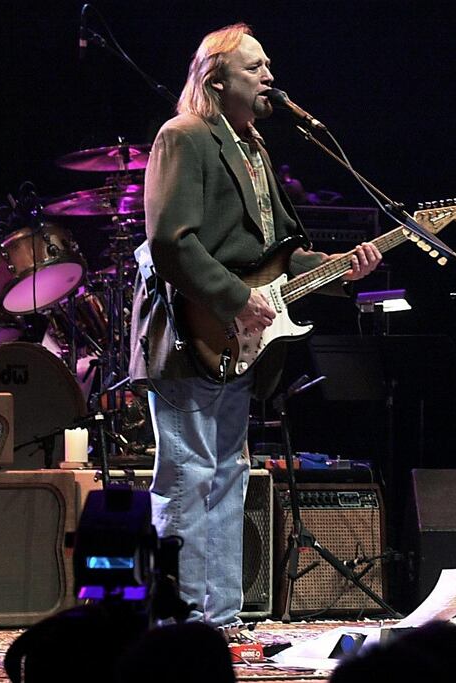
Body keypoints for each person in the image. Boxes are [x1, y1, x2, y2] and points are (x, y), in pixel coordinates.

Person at [129, 23, 381, 628]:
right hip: (193, 331)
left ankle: (220, 614)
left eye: (268, 65)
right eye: (255, 67)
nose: (270, 76)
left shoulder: (255, 147)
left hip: (237, 341)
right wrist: (235, 298)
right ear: (216, 79)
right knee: (188, 474)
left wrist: (340, 268)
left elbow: (276, 249)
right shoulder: (185, 136)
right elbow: (169, 240)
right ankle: (180, 620)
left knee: (228, 473)